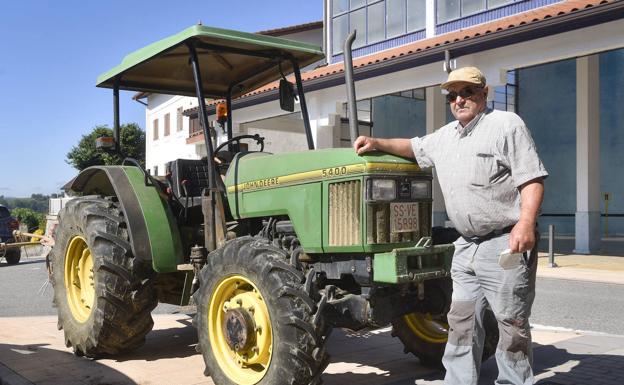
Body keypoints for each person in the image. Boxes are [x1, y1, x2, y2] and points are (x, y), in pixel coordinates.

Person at [353, 66, 548, 385]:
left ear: (485, 93)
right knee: (461, 323)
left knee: (511, 324)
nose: (459, 99)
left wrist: (525, 223)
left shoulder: (506, 125)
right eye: (452, 95)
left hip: (505, 244)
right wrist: (376, 142)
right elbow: (413, 147)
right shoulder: (445, 137)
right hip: (466, 245)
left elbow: (532, 179)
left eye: (467, 92)